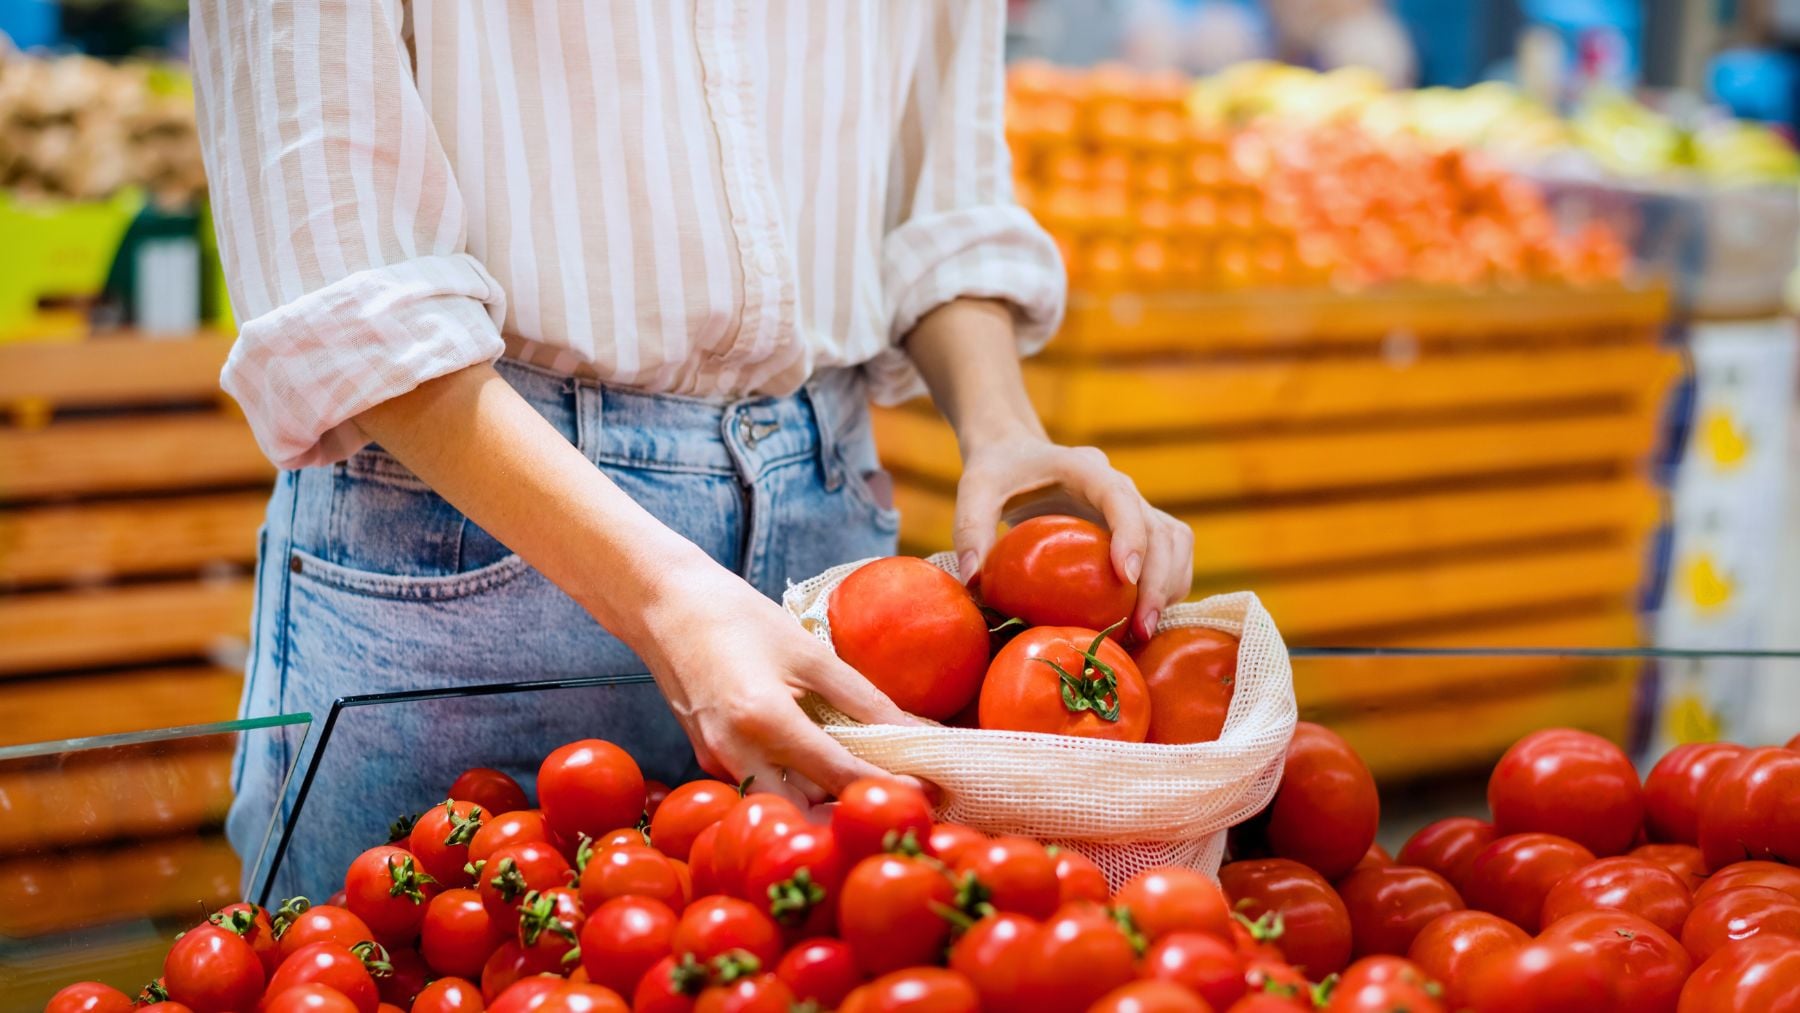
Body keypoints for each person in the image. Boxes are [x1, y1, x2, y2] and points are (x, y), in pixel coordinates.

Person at [191, 1, 1194, 897]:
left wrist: (1004, 428)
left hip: (828, 524)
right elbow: (341, 272)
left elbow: (941, 188)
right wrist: (666, 595)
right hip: (476, 525)